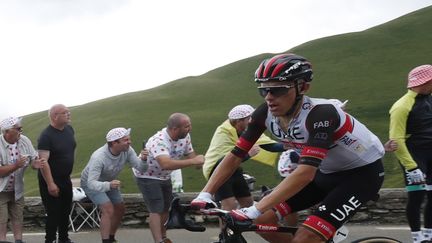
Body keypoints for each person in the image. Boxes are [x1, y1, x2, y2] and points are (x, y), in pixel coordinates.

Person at [192, 53, 386, 243]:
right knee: (262, 219)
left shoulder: (322, 114)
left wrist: (254, 208)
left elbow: (304, 173)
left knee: (305, 236)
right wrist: (205, 194)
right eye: (264, 90)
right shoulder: (264, 113)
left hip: (360, 176)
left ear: (303, 87)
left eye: (278, 89)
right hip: (324, 174)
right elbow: (235, 155)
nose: (269, 97)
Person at [202, 104, 284, 242]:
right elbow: (223, 160)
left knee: (248, 203)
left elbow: (271, 146)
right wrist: (247, 154)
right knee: (229, 206)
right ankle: (225, 237)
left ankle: (241, 231)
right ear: (239, 121)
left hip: (234, 170)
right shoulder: (224, 131)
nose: (252, 121)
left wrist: (292, 145)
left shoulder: (250, 129)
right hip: (217, 170)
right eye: (249, 119)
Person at [133, 113, 204, 243]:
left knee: (166, 207)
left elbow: (191, 156)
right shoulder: (159, 140)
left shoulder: (185, 136)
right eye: (187, 126)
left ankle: (164, 237)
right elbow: (166, 164)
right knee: (156, 208)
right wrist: (193, 162)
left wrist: (199, 162)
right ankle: (159, 241)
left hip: (164, 176)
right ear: (175, 129)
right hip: (147, 176)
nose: (190, 128)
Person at [81, 127, 148, 243]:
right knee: (108, 209)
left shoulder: (128, 150)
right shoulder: (99, 157)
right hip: (90, 182)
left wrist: (144, 159)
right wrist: (108, 185)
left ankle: (111, 238)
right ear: (114, 143)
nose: (130, 142)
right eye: (126, 140)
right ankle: (105, 241)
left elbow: (141, 169)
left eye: (129, 139)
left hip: (109, 181)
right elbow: (91, 183)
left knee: (120, 209)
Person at [389, 64, 432, 243]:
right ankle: (416, 237)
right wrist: (411, 166)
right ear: (426, 81)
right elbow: (396, 140)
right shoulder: (401, 106)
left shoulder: (430, 99)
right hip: (414, 156)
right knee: (417, 197)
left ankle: (429, 235)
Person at [0, 117, 46, 243]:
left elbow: (33, 159)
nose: (21, 131)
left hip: (17, 188)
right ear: (7, 131)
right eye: (18, 129)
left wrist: (35, 164)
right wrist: (16, 165)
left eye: (21, 128)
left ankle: (19, 240)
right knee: (1, 219)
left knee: (18, 217)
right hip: (0, 190)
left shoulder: (24, 140)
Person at [37, 104, 76, 243]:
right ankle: (50, 240)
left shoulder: (69, 130)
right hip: (51, 180)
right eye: (65, 112)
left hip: (65, 178)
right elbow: (43, 161)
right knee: (53, 213)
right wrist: (50, 184)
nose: (69, 114)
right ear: (55, 116)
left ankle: (64, 239)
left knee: (65, 211)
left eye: (68, 111)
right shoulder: (46, 136)